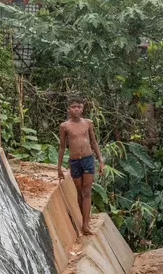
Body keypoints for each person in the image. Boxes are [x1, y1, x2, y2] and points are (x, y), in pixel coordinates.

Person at [57, 97, 106, 235]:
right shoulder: (65, 126)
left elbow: (94, 142)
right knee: (79, 192)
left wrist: (100, 161)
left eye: (79, 107)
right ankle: (84, 219)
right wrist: (59, 167)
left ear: (82, 108)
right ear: (69, 109)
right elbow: (62, 147)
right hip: (74, 161)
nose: (76, 109)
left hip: (88, 159)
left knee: (87, 191)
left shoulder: (88, 123)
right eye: (73, 107)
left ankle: (85, 224)